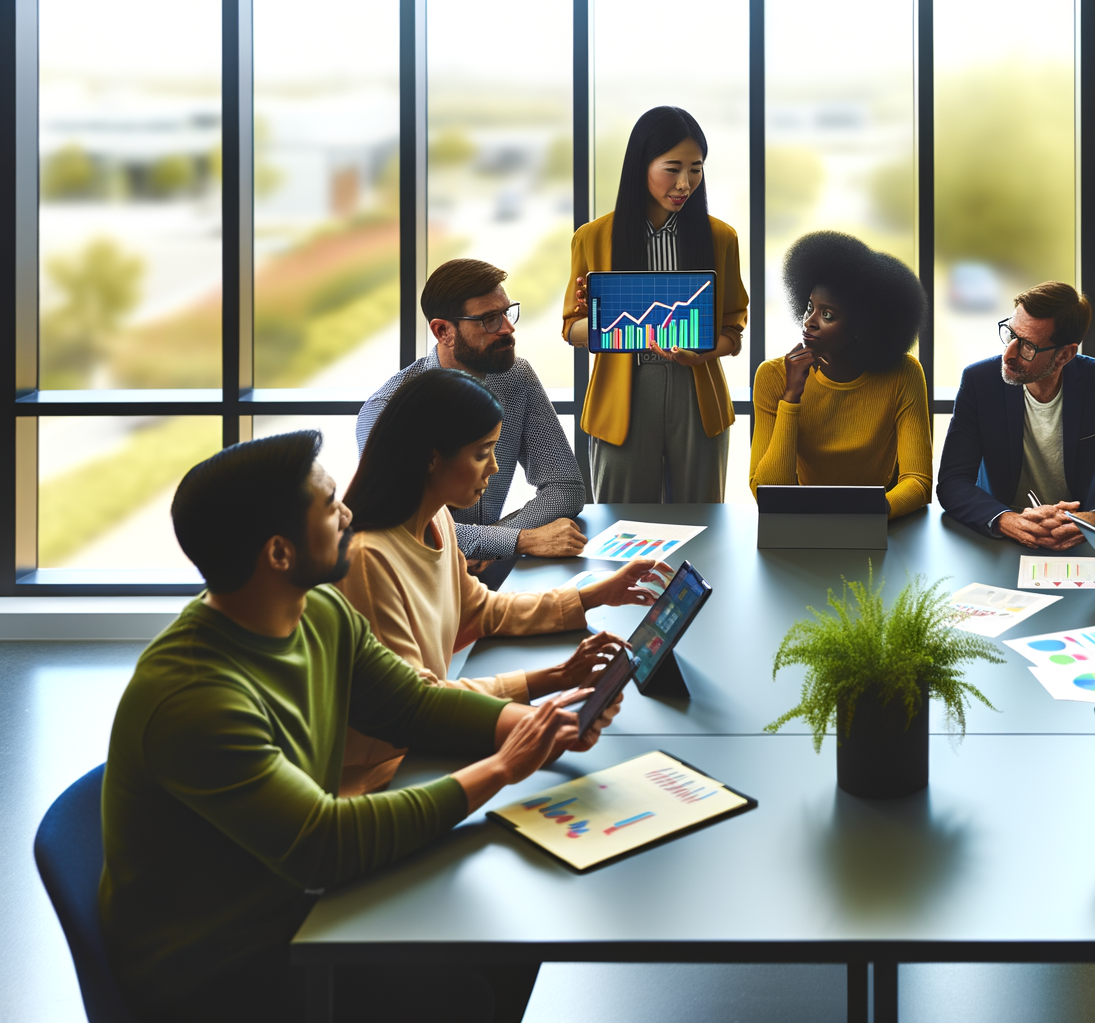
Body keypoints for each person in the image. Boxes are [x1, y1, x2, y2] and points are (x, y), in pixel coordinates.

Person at [100, 431, 621, 1023]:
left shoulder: (317, 610)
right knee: (463, 991)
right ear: (279, 553)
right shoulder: (196, 698)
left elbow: (414, 706)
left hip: (293, 901)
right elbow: (324, 845)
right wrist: (503, 766)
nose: (348, 513)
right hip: (219, 968)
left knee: (506, 935)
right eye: (328, 506)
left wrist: (533, 725)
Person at [338, 367, 671, 796]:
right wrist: (548, 683)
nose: (495, 467)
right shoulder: (368, 559)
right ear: (431, 456)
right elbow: (419, 704)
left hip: (428, 751)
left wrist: (594, 594)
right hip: (386, 775)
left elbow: (481, 610)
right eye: (482, 452)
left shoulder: (437, 517)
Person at [560, 106, 747, 502]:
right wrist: (600, 316)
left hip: (696, 392)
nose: (684, 183)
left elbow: (733, 330)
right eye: (672, 168)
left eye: (695, 169)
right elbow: (571, 329)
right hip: (624, 393)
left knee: (703, 523)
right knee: (622, 526)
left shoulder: (721, 238)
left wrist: (703, 354)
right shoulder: (594, 238)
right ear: (640, 166)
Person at [360, 258, 587, 575]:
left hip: (485, 576)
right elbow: (401, 523)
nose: (508, 329)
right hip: (417, 579)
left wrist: (493, 542)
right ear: (443, 331)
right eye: (489, 320)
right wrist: (514, 541)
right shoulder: (387, 410)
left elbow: (565, 486)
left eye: (507, 312)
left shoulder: (515, 376)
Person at [937, 281, 1095, 546]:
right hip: (1002, 529)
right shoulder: (979, 381)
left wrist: (1094, 520)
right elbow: (952, 482)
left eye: (1027, 346)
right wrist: (1007, 520)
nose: (1008, 354)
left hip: (1081, 527)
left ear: (1064, 355)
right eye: (1009, 334)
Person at [749, 231, 932, 518]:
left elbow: (918, 482)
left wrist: (865, 516)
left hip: (878, 522)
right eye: (810, 307)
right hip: (802, 523)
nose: (809, 322)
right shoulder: (773, 376)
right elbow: (768, 492)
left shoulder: (903, 374)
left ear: (862, 327)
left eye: (828, 315)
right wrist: (791, 398)